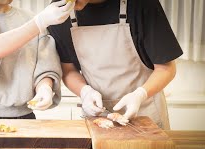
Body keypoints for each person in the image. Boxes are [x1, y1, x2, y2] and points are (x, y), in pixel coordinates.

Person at [48, 0, 183, 129]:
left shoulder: (142, 4)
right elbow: (69, 69)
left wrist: (139, 95)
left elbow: (166, 68)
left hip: (146, 113)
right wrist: (85, 92)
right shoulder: (58, 11)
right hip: (97, 118)